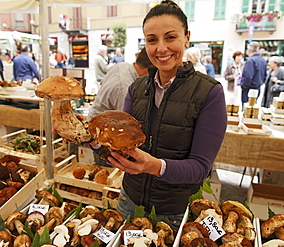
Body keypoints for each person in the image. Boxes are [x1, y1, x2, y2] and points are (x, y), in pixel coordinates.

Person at [90, 0, 227, 229]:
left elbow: (200, 168)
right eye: (152, 40)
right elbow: (119, 146)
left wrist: (153, 166)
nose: (161, 48)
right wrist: (91, 141)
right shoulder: (137, 89)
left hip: (173, 214)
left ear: (187, 37)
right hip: (128, 203)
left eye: (170, 37)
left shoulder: (209, 93)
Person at [88, 47, 152, 120]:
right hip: (99, 125)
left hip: (95, 115)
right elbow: (124, 121)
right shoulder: (125, 89)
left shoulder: (121, 65)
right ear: (150, 69)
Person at [240, 41, 267, 106]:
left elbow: (248, 76)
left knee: (247, 108)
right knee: (253, 107)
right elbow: (265, 75)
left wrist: (243, 86)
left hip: (249, 88)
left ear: (248, 50)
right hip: (257, 87)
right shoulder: (262, 60)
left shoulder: (250, 61)